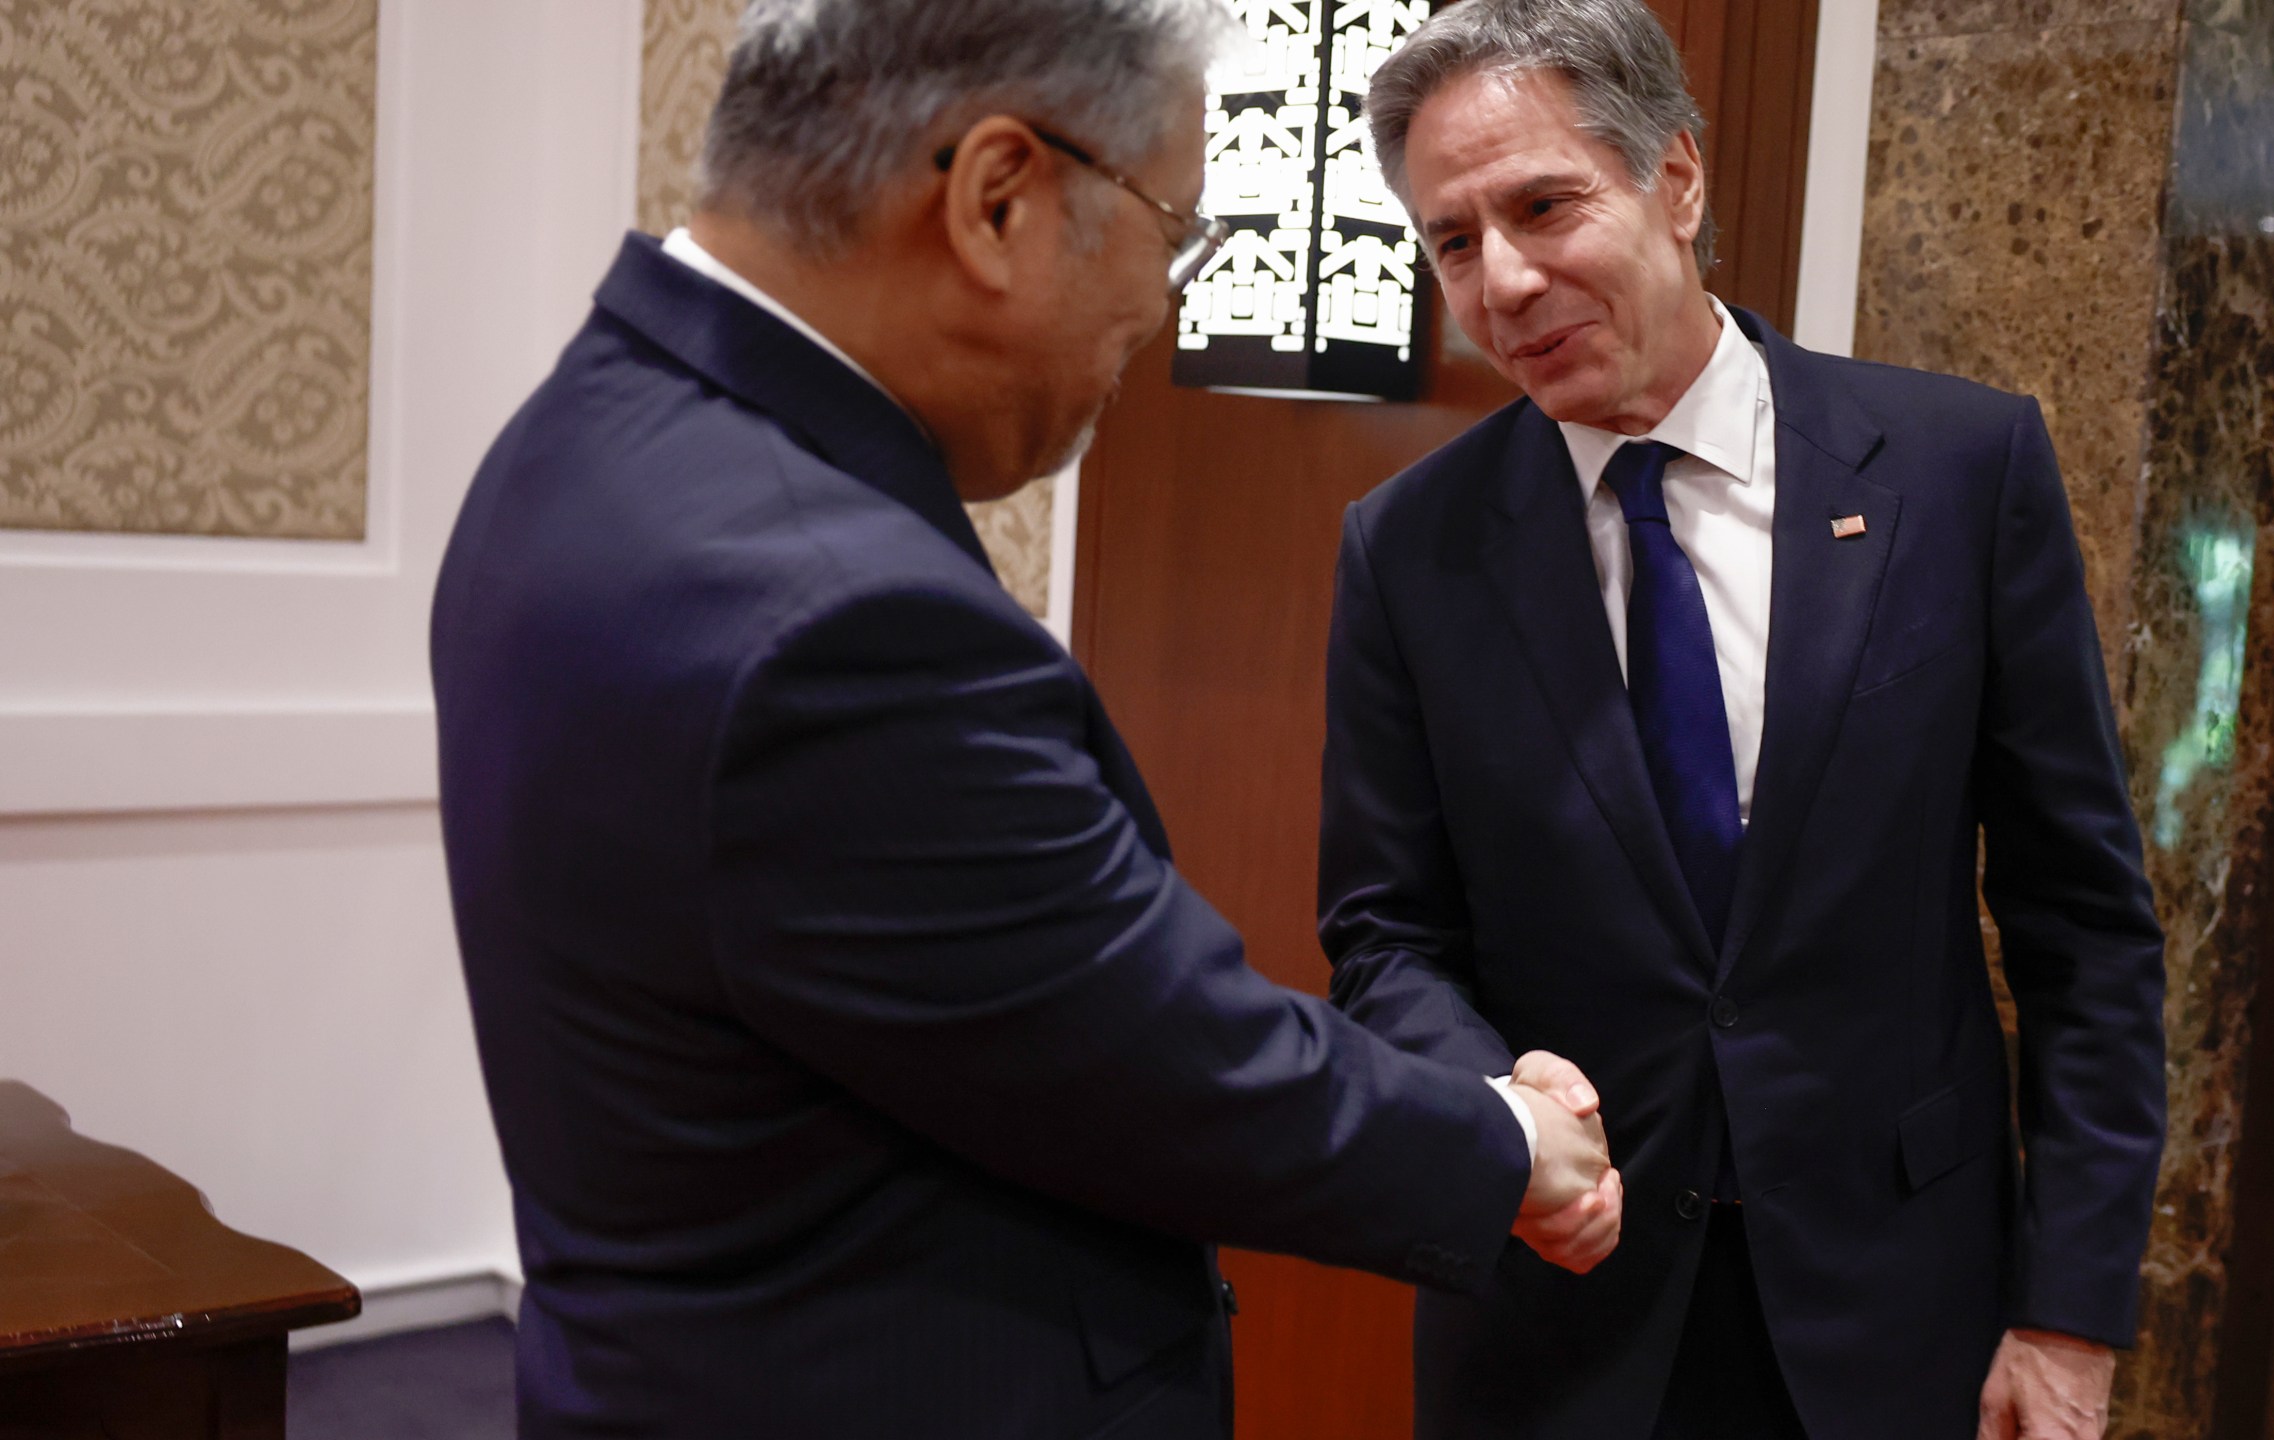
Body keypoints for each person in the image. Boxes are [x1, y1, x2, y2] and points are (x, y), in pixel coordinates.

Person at [429, 3, 1623, 1436]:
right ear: (1001, 197)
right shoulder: (832, 623)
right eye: (1170, 226)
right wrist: (1509, 1146)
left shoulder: (590, 438)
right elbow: (1163, 1062)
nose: (1171, 298)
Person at [1319, 2, 2169, 1437]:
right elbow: (1386, 931)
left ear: (1680, 180)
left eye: (1543, 205)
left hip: (1902, 1309)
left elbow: (2083, 927)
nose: (1505, 281)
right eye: (1454, 241)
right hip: (1559, 1317)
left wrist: (2070, 1315)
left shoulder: (1959, 473)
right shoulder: (1409, 549)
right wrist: (1494, 1103)